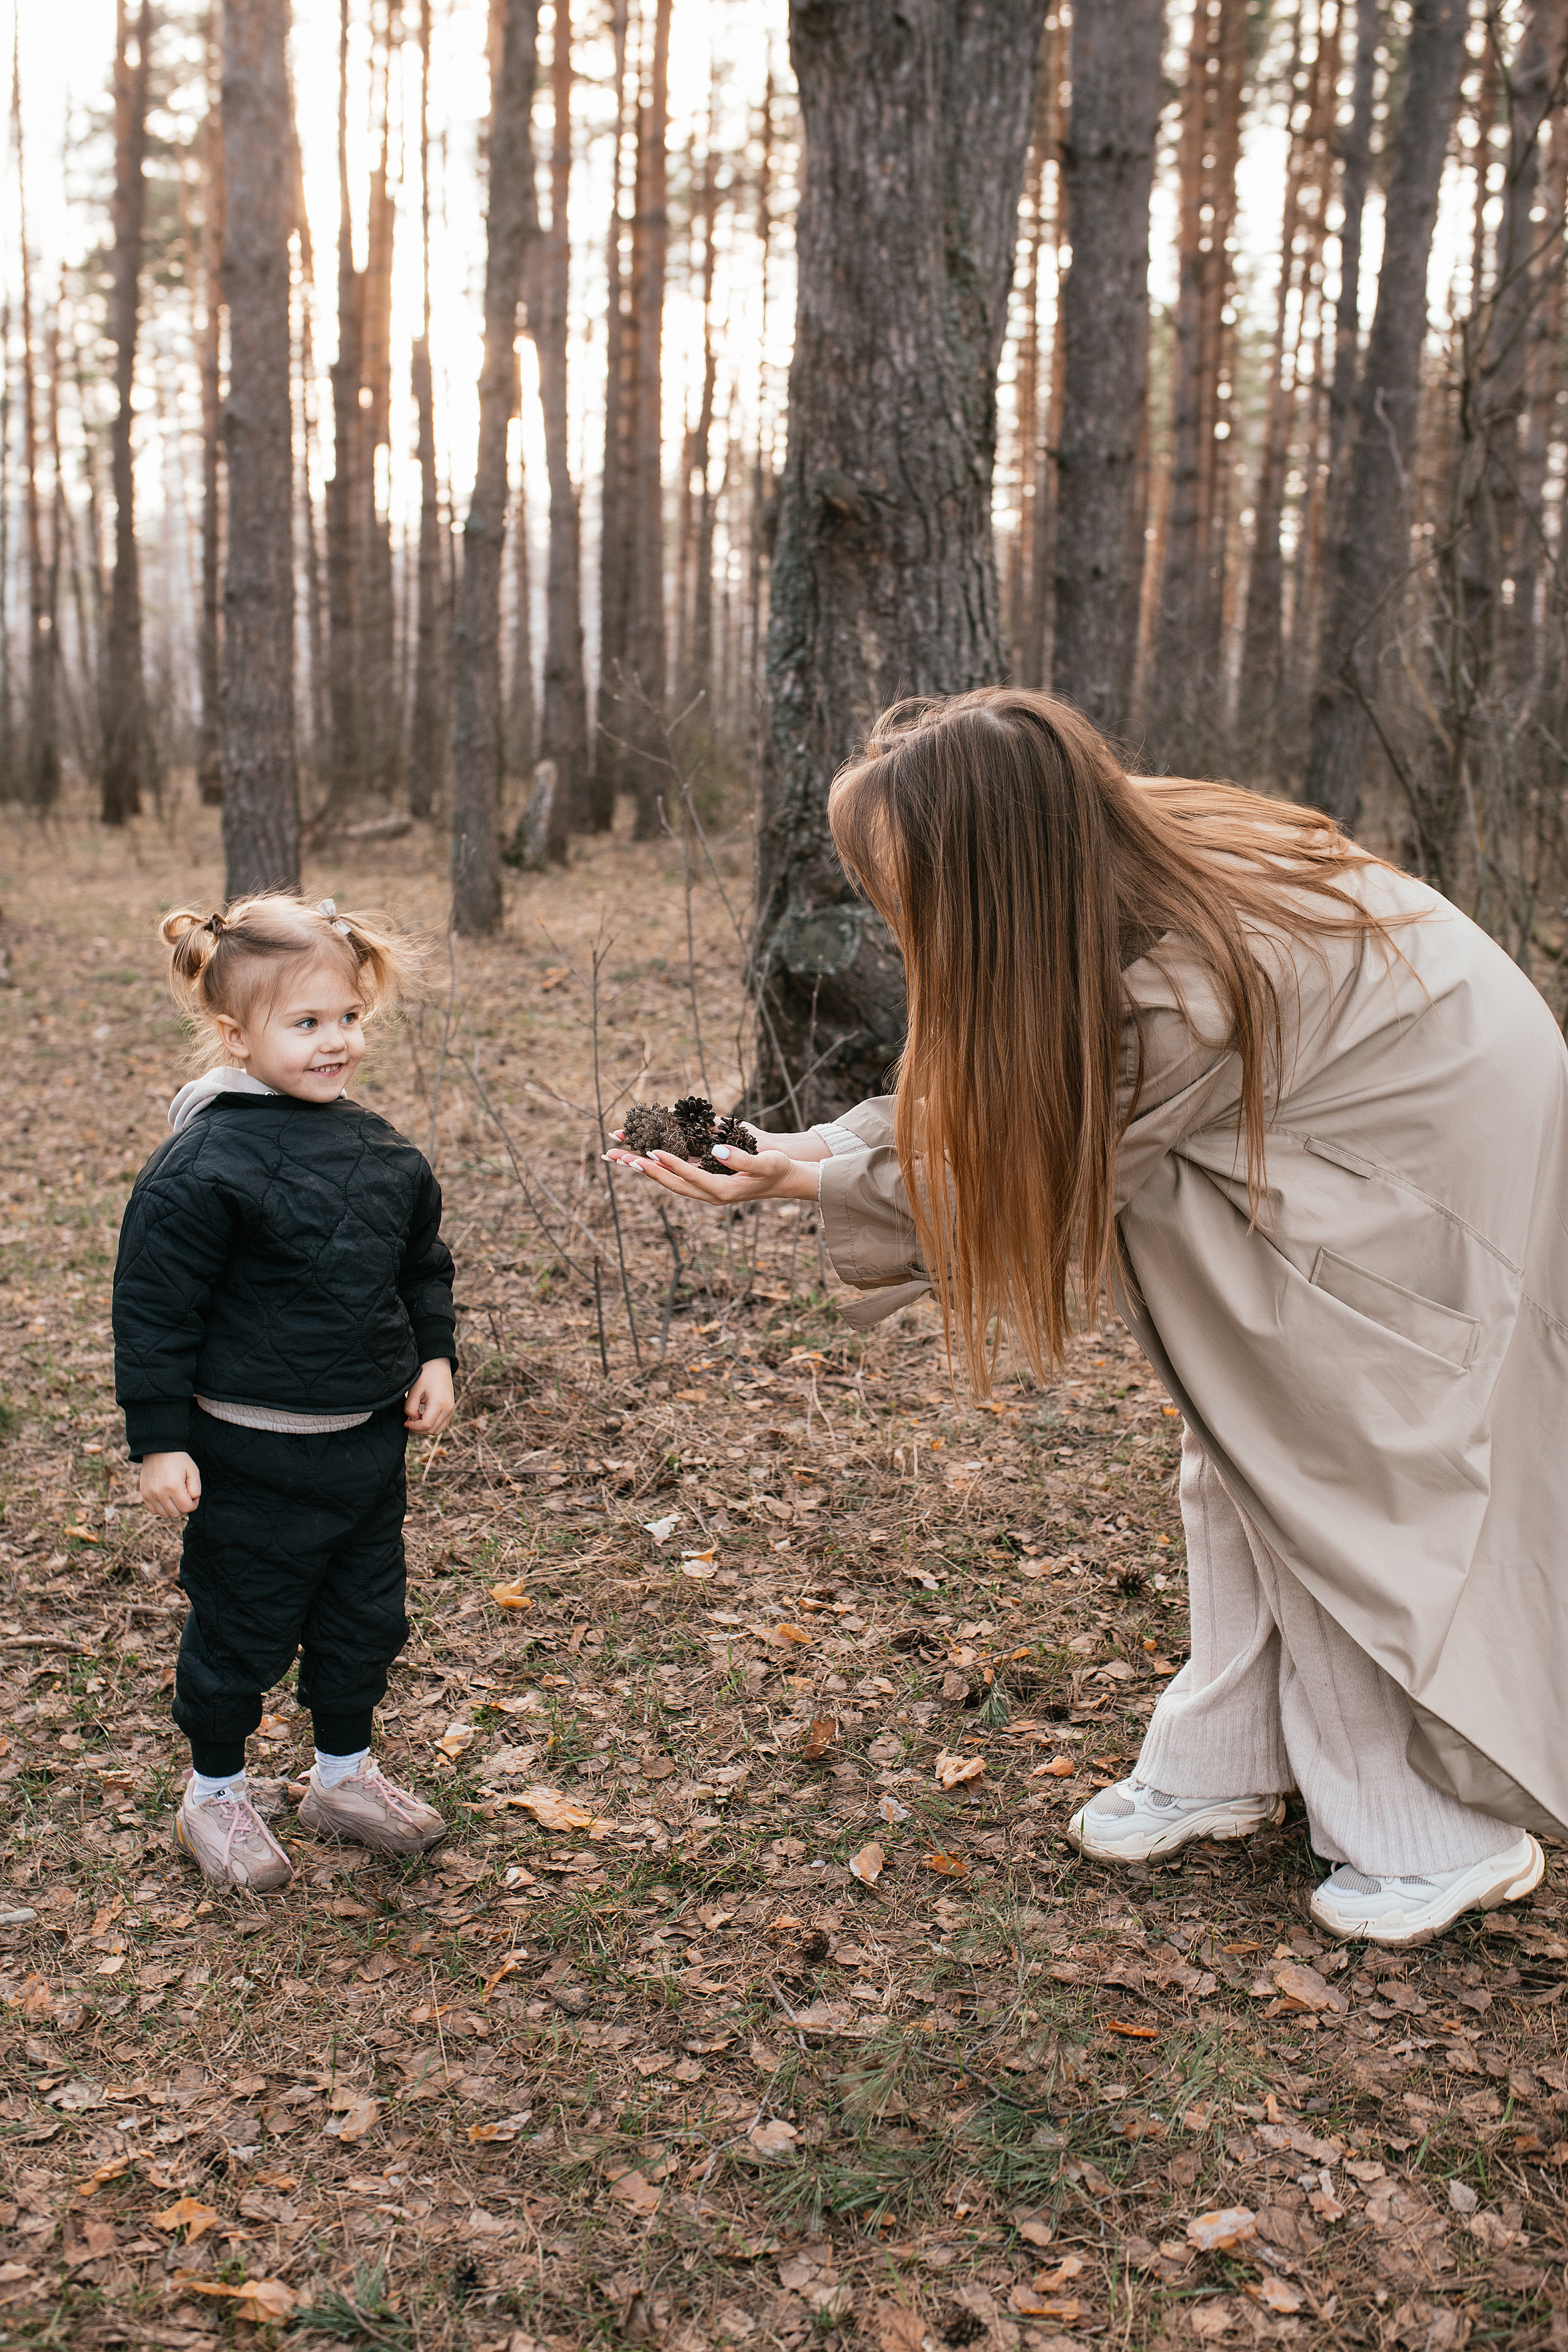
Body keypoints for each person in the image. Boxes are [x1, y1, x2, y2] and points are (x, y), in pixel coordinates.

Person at [609, 687, 1568, 1951]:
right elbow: (1022, 1069)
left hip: (1416, 1156)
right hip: (1400, 1098)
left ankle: (1428, 1837)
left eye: (903, 881)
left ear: (993, 867)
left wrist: (809, 1177)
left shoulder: (1179, 989)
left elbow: (1038, 1145)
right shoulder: (1103, 862)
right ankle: (1223, 1757)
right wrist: (825, 1143)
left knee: (1312, 1461)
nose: (894, 914)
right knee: (1236, 1434)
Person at [114, 893, 456, 1891]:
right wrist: (159, 1439)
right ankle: (213, 1792)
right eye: (305, 1024)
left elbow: (421, 1266)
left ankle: (342, 1778)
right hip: (249, 1453)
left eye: (348, 1017)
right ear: (235, 1034)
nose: (336, 1041)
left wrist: (433, 1358)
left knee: (363, 1619)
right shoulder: (200, 1167)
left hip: (363, 1445)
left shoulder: (383, 1151)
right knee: (242, 1625)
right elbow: (155, 1310)